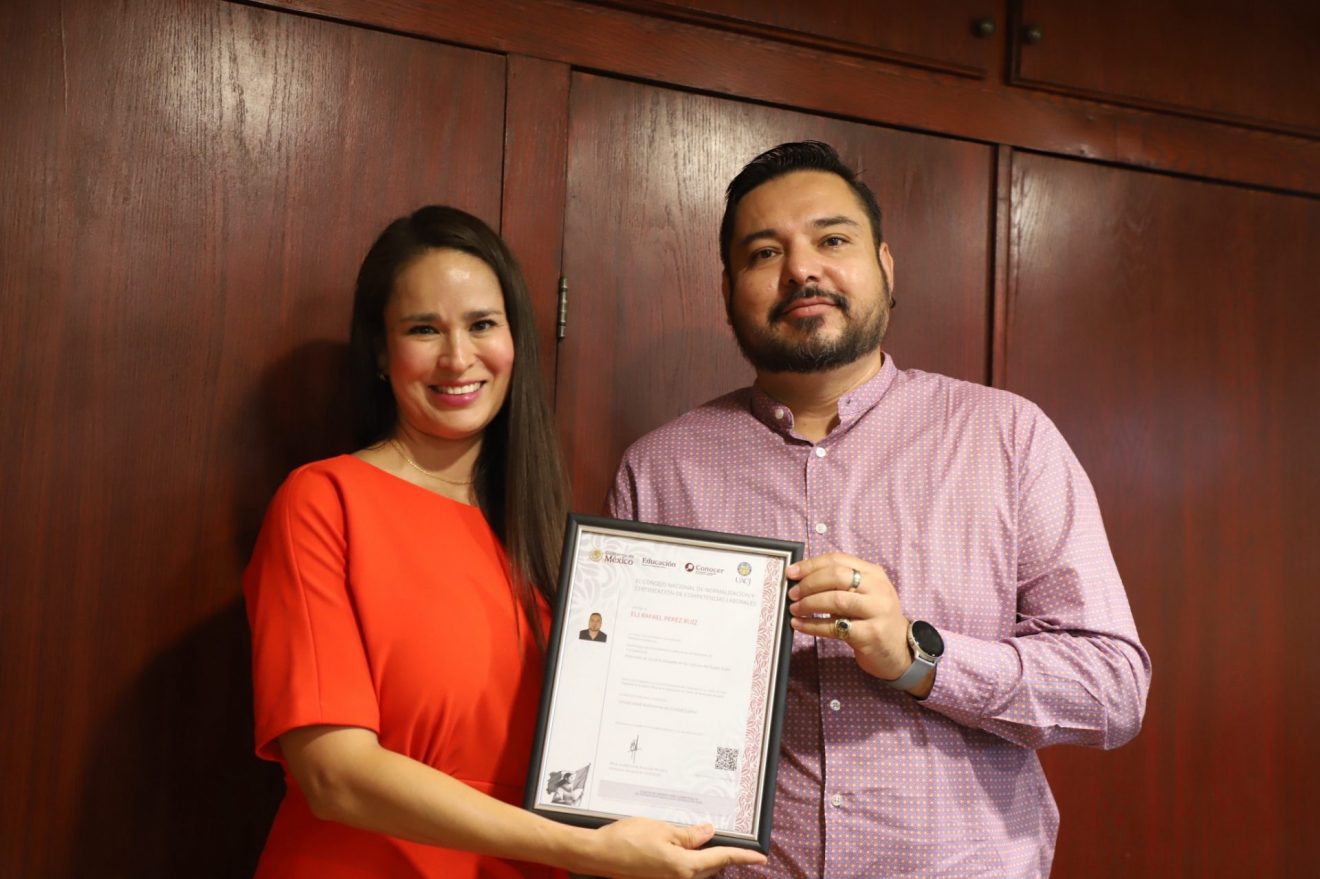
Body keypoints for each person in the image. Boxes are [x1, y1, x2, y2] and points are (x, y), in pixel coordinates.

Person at [608, 143, 1152, 877]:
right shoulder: (658, 470)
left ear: (886, 267)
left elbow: (1112, 689)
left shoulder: (1008, 437)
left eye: (833, 240)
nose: (802, 270)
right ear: (729, 289)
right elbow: (625, 711)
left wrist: (919, 659)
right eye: (765, 252)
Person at [244, 206, 766, 878]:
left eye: (482, 324)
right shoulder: (323, 501)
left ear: (516, 340)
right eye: (423, 329)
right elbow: (333, 775)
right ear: (379, 351)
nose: (458, 357)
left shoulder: (547, 537)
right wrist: (587, 851)